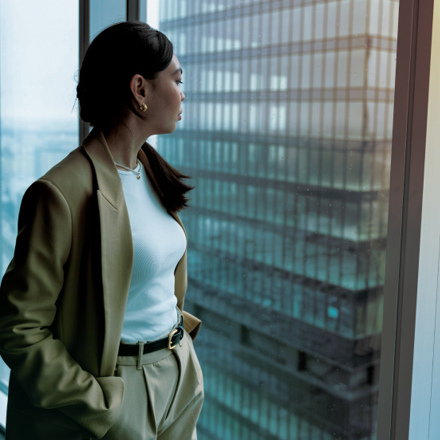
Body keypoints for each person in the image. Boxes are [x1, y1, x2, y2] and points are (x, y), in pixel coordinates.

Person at [0, 21, 204, 440]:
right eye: (177, 79)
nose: (183, 93)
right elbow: (18, 328)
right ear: (139, 89)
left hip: (177, 376)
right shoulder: (58, 193)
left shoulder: (150, 170)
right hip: (115, 391)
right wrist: (100, 404)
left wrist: (182, 353)